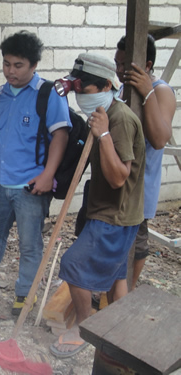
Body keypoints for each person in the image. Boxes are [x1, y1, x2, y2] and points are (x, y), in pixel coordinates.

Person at [0, 31, 71, 316]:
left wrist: (48, 174)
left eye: (18, 65)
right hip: (1, 184)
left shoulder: (48, 94)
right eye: (7, 64)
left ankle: (25, 293)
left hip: (31, 187)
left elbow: (60, 136)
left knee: (29, 242)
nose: (11, 70)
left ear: (33, 65)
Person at [49, 53, 145, 358]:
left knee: (73, 265)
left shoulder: (119, 120)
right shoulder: (103, 114)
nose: (80, 97)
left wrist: (102, 133)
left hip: (115, 216)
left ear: (106, 86)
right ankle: (119, 330)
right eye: (77, 91)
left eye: (85, 91)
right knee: (117, 277)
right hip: (107, 210)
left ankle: (84, 326)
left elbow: (119, 178)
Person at [115, 35, 175, 290]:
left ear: (146, 64)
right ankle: (116, 289)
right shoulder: (124, 88)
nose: (119, 70)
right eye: (117, 63)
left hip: (141, 184)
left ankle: (129, 289)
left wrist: (147, 91)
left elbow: (160, 139)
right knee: (116, 239)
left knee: (136, 241)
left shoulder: (161, 90)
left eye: (124, 64)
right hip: (120, 179)